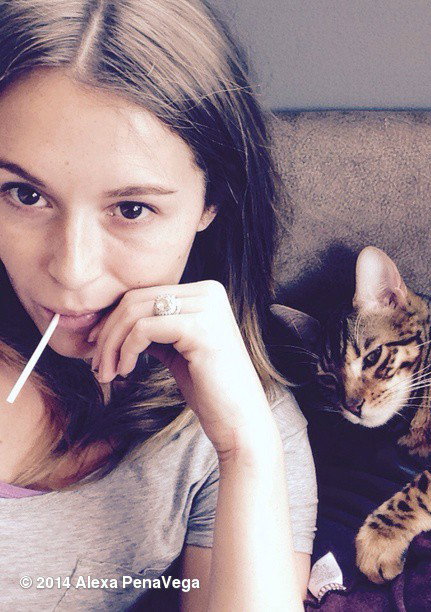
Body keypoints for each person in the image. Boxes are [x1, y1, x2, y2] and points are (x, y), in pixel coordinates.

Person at [0, 0, 317, 609]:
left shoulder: (239, 425)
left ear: (212, 201)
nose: (71, 269)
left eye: (131, 209)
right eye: (25, 195)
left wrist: (246, 449)